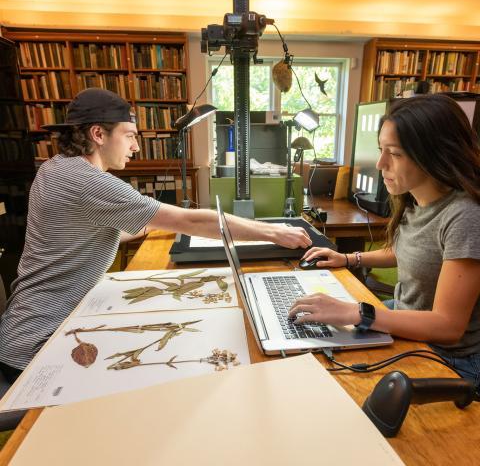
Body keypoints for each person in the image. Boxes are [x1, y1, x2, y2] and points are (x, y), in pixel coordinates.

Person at [0, 88, 311, 383]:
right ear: (98, 134)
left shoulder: (55, 168)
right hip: (40, 342)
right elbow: (191, 221)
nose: (135, 146)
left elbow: (88, 234)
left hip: (35, 327)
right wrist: (274, 232)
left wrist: (152, 221)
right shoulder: (85, 180)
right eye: (130, 136)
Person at [289, 94, 480, 388]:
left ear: (437, 153)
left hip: (451, 359)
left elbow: (448, 326)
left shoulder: (466, 217)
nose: (380, 163)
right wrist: (350, 258)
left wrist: (357, 313)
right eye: (381, 149)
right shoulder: (416, 200)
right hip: (409, 321)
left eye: (396, 153)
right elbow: (409, 250)